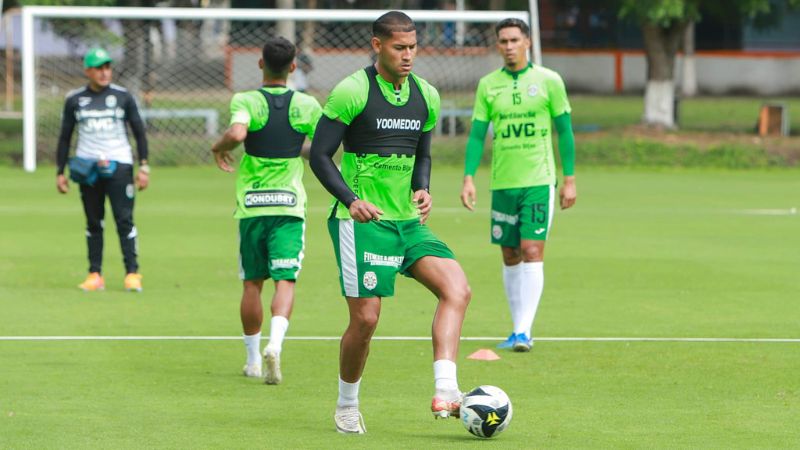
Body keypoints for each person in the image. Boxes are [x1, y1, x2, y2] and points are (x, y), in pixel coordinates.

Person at [310, 11, 471, 434]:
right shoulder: (352, 90)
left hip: (408, 222)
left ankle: (447, 391)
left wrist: (423, 188)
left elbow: (424, 152)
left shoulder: (426, 94)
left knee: (457, 289)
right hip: (361, 223)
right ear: (377, 45)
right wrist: (351, 199)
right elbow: (320, 155)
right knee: (366, 320)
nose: (408, 56)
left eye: (413, 47)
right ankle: (347, 404)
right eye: (399, 48)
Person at [460, 18, 577, 352]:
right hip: (503, 183)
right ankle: (516, 329)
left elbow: (565, 131)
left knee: (531, 250)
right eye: (503, 41)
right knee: (510, 253)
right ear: (497, 46)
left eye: (514, 40)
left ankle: (525, 331)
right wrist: (469, 177)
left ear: (527, 42)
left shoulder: (548, 81)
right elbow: (478, 134)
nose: (509, 46)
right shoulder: (488, 85)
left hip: (539, 180)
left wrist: (569, 179)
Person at [210, 37, 322, 385]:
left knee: (252, 283)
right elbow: (324, 146)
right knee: (285, 279)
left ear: (261, 64)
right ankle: (276, 343)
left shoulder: (246, 99)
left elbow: (239, 132)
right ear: (293, 67)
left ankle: (253, 360)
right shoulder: (306, 104)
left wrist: (219, 146)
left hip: (253, 206)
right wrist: (296, 148)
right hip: (289, 205)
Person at [55, 47, 150, 293]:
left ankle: (132, 273)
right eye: (98, 68)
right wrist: (60, 172)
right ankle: (95, 274)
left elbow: (139, 132)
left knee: (124, 220)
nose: (104, 72)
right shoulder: (75, 99)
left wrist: (144, 166)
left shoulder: (123, 96)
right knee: (93, 222)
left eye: (107, 67)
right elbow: (65, 137)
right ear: (88, 71)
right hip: (88, 168)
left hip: (120, 165)